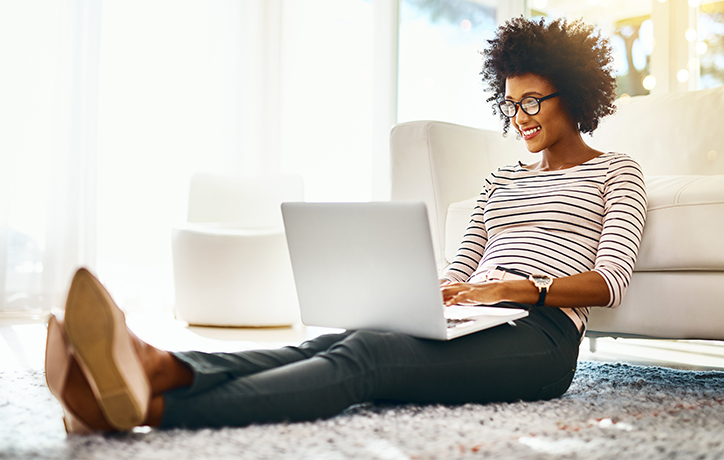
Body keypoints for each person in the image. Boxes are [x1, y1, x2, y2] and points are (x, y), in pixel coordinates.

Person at [44, 17, 647, 434]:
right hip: (472, 317)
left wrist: (521, 289)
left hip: (541, 339)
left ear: (571, 94)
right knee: (331, 342)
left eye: (533, 102)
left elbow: (610, 281)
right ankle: (158, 366)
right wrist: (424, 295)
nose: (521, 117)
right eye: (511, 105)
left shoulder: (618, 173)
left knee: (369, 359)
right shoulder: (500, 180)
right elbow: (461, 270)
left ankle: (153, 407)